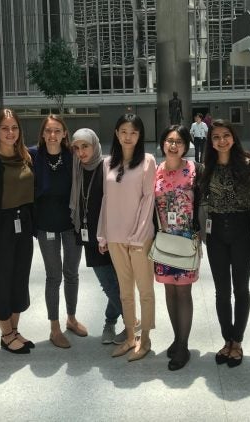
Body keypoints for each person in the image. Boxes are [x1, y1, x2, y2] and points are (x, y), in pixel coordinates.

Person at [97, 113, 156, 361]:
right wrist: (102, 234)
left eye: (133, 132)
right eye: (123, 131)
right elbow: (106, 201)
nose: (128, 136)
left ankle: (145, 339)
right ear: (117, 134)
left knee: (145, 290)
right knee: (124, 292)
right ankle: (130, 336)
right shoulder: (107, 163)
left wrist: (138, 234)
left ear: (140, 135)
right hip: (115, 236)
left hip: (139, 238)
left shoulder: (148, 162)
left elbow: (148, 200)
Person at [0, 109, 36, 354]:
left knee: (19, 278)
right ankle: (6, 333)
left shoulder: (25, 157)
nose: (10, 133)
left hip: (23, 224)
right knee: (1, 279)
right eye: (4, 128)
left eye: (14, 128)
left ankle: (14, 330)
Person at [201, 119, 250, 368]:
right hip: (216, 233)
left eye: (226, 135)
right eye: (216, 137)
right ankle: (227, 339)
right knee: (221, 291)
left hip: (242, 230)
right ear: (210, 142)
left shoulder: (247, 163)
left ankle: (238, 341)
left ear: (233, 137)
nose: (221, 140)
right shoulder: (207, 168)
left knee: (240, 289)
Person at [33, 115, 87, 349]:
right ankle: (54, 327)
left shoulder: (72, 156)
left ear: (65, 133)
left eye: (57, 131)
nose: (53, 135)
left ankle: (71, 318)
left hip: (71, 225)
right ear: (43, 134)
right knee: (53, 277)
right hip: (46, 226)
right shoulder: (33, 156)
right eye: (48, 131)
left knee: (72, 273)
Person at [69, 128, 126, 345]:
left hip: (112, 234)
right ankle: (131, 322)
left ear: (95, 145)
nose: (81, 152)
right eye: (77, 148)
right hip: (89, 237)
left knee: (119, 282)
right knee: (109, 285)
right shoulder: (75, 169)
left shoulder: (108, 167)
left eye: (85, 146)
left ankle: (112, 322)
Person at [154, 124, 202, 371]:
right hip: (163, 239)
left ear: (186, 146)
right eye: (169, 141)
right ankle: (177, 337)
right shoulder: (156, 171)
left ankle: (183, 346)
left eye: (179, 142)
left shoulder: (194, 170)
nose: (173, 145)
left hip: (185, 239)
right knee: (170, 291)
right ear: (163, 143)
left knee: (183, 292)